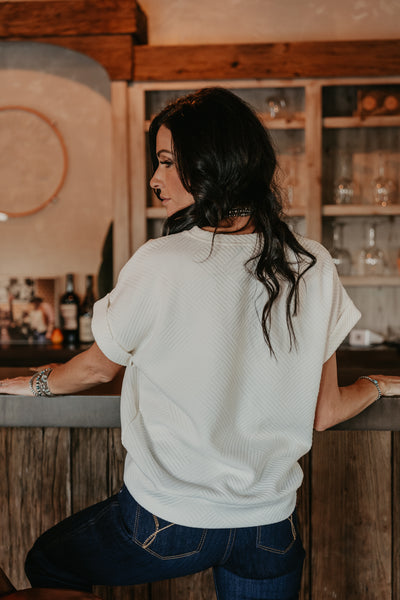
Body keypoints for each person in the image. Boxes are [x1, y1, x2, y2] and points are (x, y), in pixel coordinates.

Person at [0, 87, 399, 600]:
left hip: (168, 524)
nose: (154, 178)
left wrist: (30, 383)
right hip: (269, 529)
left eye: (167, 162)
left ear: (213, 162)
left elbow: (97, 370)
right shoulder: (313, 263)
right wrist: (375, 384)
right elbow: (324, 411)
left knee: (49, 562)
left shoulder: (160, 260)